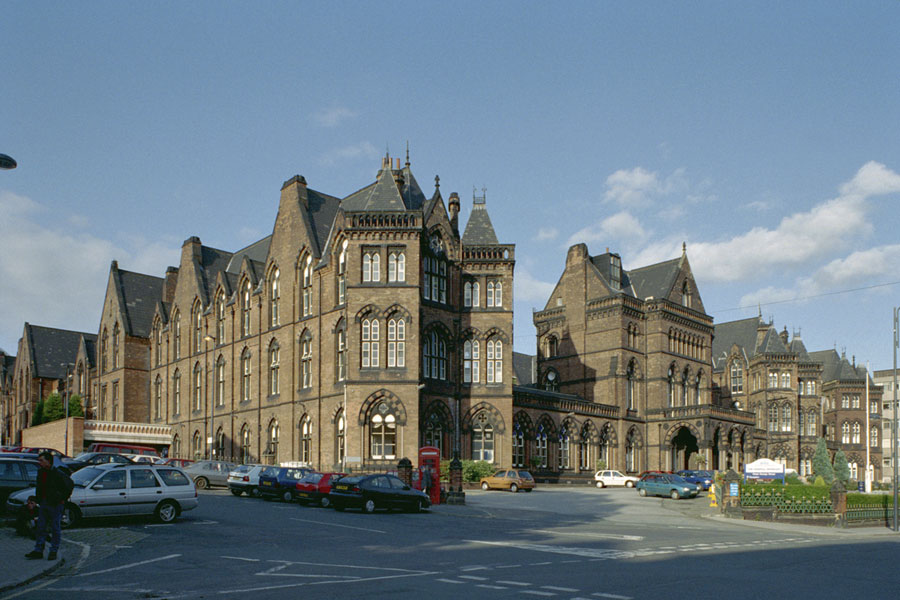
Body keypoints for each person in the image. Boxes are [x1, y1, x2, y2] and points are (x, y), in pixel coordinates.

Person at [24, 451, 68, 561]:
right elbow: (40, 487)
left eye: (41, 460)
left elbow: (68, 487)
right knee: (41, 527)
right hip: (44, 503)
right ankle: (38, 550)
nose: (39, 463)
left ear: (48, 461)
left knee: (55, 528)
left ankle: (53, 551)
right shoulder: (41, 472)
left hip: (55, 504)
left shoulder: (58, 473)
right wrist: (37, 499)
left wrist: (61, 499)